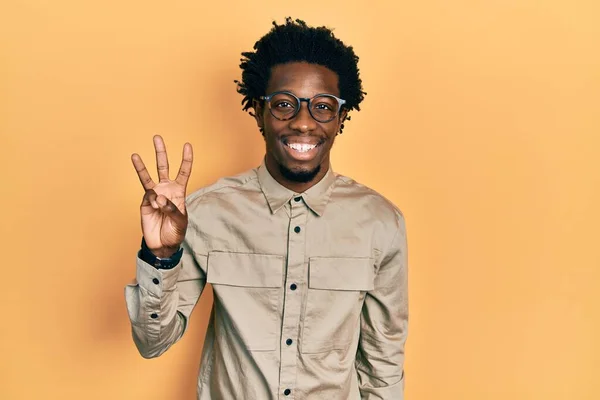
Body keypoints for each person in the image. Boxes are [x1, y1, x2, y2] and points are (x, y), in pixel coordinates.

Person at [125, 17, 408, 400]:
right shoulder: (207, 213)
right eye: (285, 105)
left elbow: (383, 368)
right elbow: (152, 342)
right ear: (259, 111)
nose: (304, 123)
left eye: (323, 107)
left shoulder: (380, 222)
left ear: (341, 118)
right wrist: (161, 256)